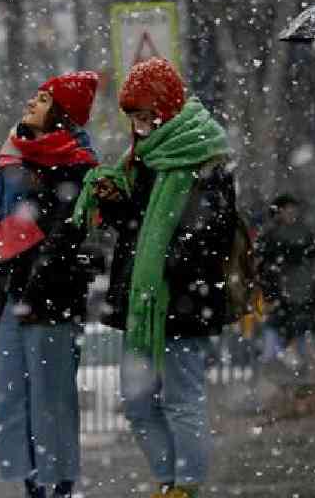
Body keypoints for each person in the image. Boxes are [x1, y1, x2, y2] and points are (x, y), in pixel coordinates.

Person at [77, 57, 236, 498]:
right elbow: (136, 227)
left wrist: (169, 263)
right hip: (142, 301)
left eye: (145, 115)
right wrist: (113, 203)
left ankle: (186, 485)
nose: (140, 125)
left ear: (165, 107)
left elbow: (210, 234)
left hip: (183, 300)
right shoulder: (142, 158)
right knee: (137, 401)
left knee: (183, 399)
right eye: (133, 117)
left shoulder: (204, 155)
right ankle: (169, 481)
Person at [0, 71, 102, 498]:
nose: (31, 103)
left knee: (51, 398)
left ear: (61, 113)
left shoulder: (78, 165)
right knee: (12, 397)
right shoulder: (12, 157)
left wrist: (41, 271)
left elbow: (73, 232)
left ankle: (58, 486)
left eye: (43, 99)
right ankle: (29, 486)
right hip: (11, 295)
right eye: (35, 95)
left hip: (52, 299)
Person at [256, 193, 315, 375]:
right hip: (280, 291)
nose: (291, 213)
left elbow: (313, 254)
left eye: (293, 209)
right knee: (276, 331)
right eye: (287, 210)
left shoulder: (304, 232)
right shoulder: (271, 235)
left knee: (299, 331)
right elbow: (265, 263)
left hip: (301, 291)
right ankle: (276, 367)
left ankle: (297, 369)